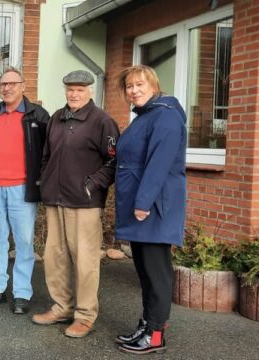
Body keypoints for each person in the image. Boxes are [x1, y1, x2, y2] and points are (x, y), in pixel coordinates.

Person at [31, 70, 120, 338]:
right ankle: (61, 307)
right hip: (55, 200)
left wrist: (90, 184)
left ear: (90, 91)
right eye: (70, 88)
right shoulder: (57, 118)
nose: (74, 93)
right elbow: (46, 156)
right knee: (55, 258)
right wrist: (45, 182)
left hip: (84, 203)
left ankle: (84, 315)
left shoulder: (103, 121)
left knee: (85, 261)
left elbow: (114, 161)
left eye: (80, 89)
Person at [114, 65, 186, 355]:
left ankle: (155, 335)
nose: (134, 90)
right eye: (129, 86)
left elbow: (159, 163)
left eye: (140, 84)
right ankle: (148, 324)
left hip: (154, 206)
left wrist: (143, 202)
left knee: (156, 273)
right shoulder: (146, 116)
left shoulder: (165, 116)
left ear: (154, 85)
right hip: (142, 206)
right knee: (145, 271)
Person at [0, 67, 49, 314]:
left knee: (24, 242)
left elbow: (47, 153)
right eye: (3, 84)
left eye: (12, 83)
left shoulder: (37, 115)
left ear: (23, 86)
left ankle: (22, 293)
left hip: (22, 188)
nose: (7, 88)